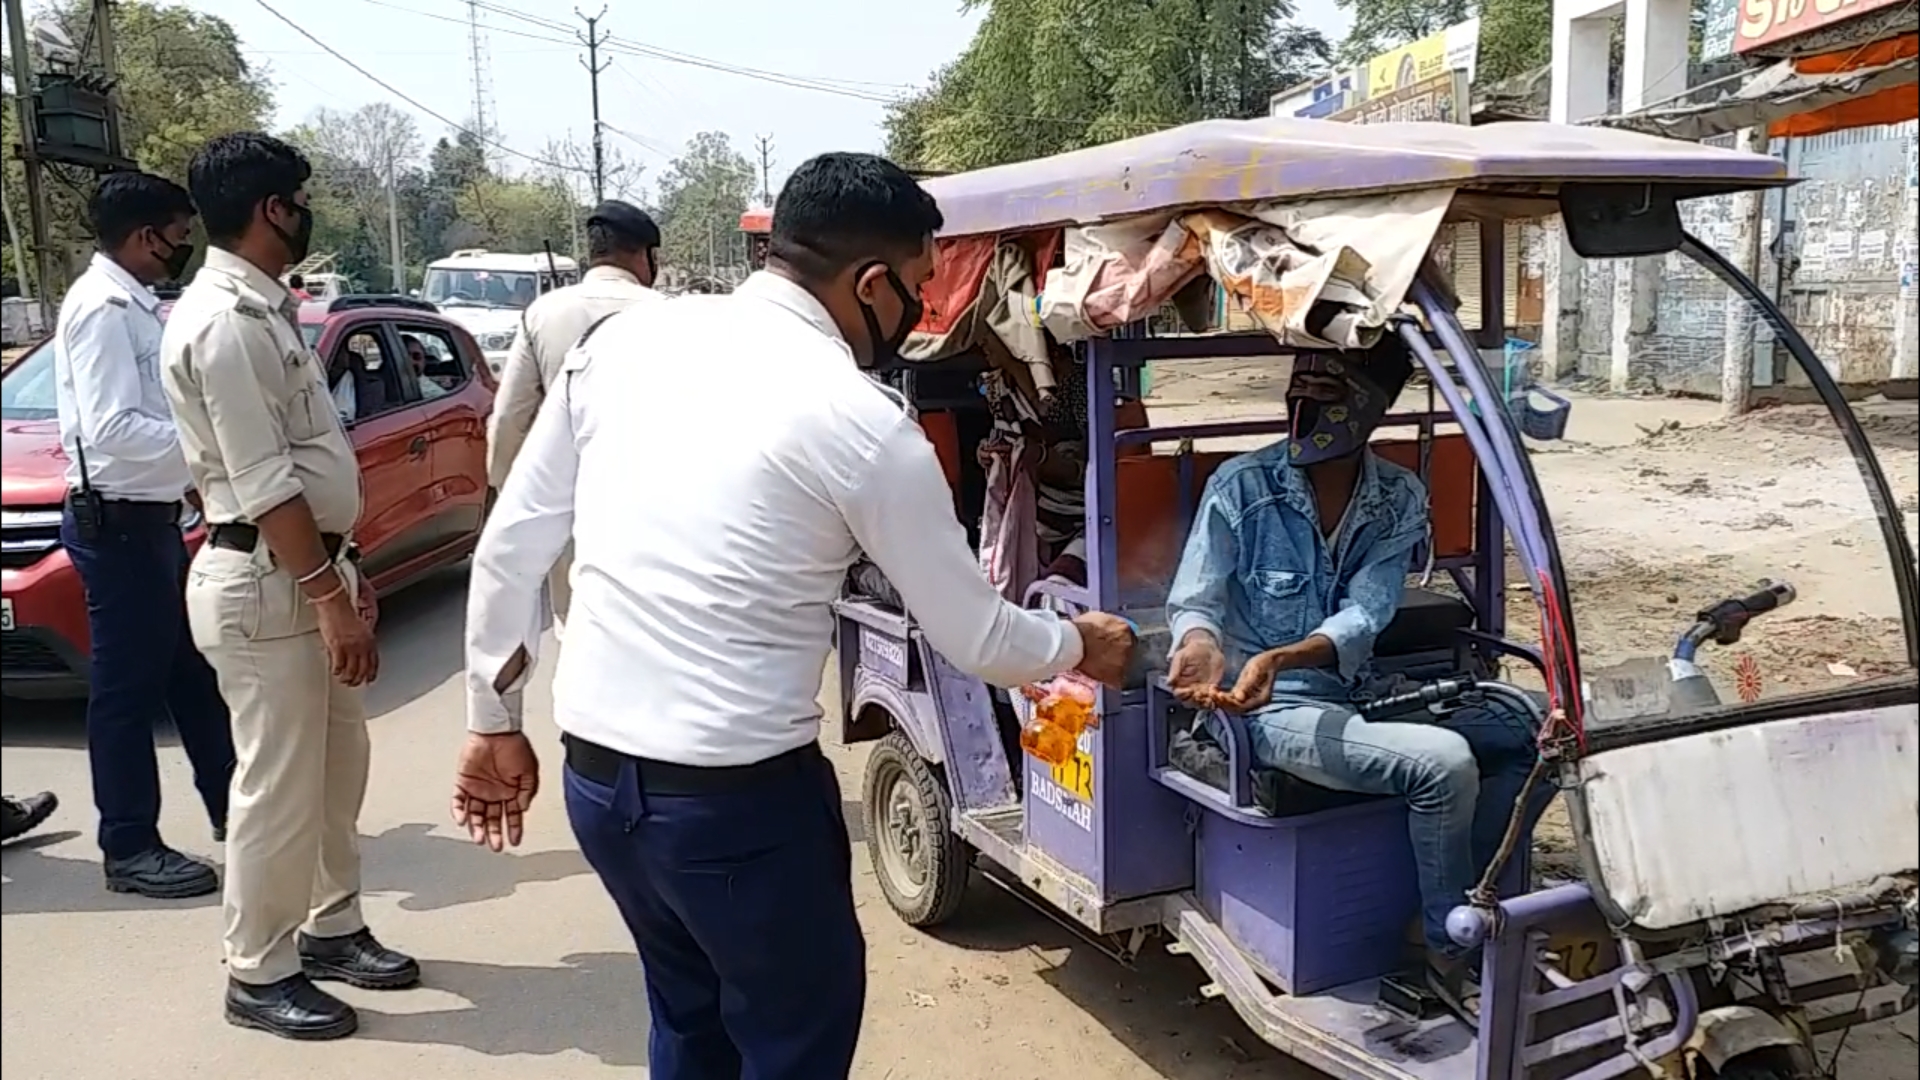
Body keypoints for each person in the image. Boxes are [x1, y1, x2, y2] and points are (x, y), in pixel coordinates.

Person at [455, 152, 1137, 1080]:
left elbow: (511, 549)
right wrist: (1080, 643)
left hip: (600, 787)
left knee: (688, 1022)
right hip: (736, 806)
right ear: (869, 283)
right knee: (792, 1046)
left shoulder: (621, 347)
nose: (919, 317)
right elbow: (976, 636)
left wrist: (492, 723)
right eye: (919, 292)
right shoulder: (860, 421)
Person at [1162, 338, 1547, 1024]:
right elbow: (1198, 598)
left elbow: (1367, 612)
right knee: (1444, 764)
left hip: (1356, 688)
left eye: (1326, 399)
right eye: (1298, 395)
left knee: (1545, 729)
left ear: (1367, 409)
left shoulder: (1398, 496)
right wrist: (1200, 643)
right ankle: (1448, 951)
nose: (1304, 411)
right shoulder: (1241, 486)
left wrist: (1283, 653)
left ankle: (1466, 903)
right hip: (1265, 709)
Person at [162, 132, 417, 1042]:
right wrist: (326, 593)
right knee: (277, 787)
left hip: (306, 576)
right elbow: (264, 479)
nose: (306, 212)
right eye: (299, 198)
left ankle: (332, 926)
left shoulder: (267, 311)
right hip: (265, 585)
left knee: (335, 768)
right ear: (273, 209)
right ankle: (256, 968)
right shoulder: (224, 322)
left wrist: (344, 576)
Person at [53, 171, 236, 900]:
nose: (181, 250)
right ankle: (128, 844)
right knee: (126, 692)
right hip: (118, 525)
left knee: (192, 677)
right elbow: (110, 431)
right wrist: (211, 445)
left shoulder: (136, 304)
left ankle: (235, 809)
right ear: (142, 236)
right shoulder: (101, 308)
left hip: (152, 521)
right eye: (176, 237)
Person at [485, 199, 662, 634]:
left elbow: (509, 421)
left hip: (570, 505)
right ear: (647, 255)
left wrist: (512, 494)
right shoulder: (667, 312)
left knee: (578, 630)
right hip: (655, 510)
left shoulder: (543, 313)